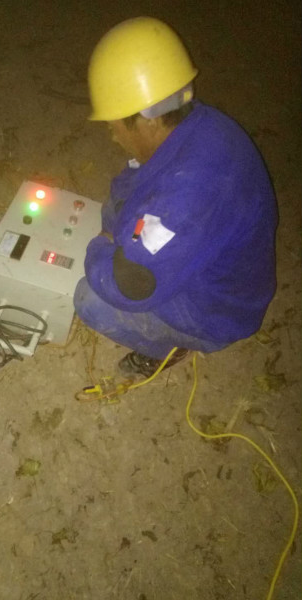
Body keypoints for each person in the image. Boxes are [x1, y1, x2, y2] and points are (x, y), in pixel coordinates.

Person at [73, 17, 277, 378]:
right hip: (225, 267)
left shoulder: (184, 201)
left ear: (149, 120)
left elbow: (131, 284)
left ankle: (170, 347)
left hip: (218, 309)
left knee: (90, 299)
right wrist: (115, 226)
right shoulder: (197, 125)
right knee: (117, 211)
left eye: (114, 125)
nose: (111, 135)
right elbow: (134, 180)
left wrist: (98, 249)